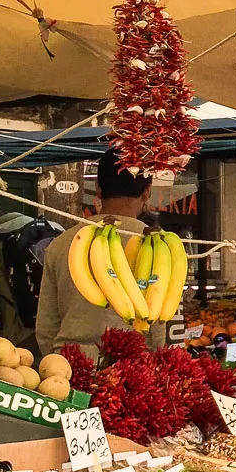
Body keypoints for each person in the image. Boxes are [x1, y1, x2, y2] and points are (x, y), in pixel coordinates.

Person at [36, 150, 164, 358]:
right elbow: (160, 327)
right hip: (135, 372)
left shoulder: (63, 243)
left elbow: (46, 327)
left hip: (70, 367)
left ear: (97, 188)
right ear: (147, 192)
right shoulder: (159, 246)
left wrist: (58, 366)